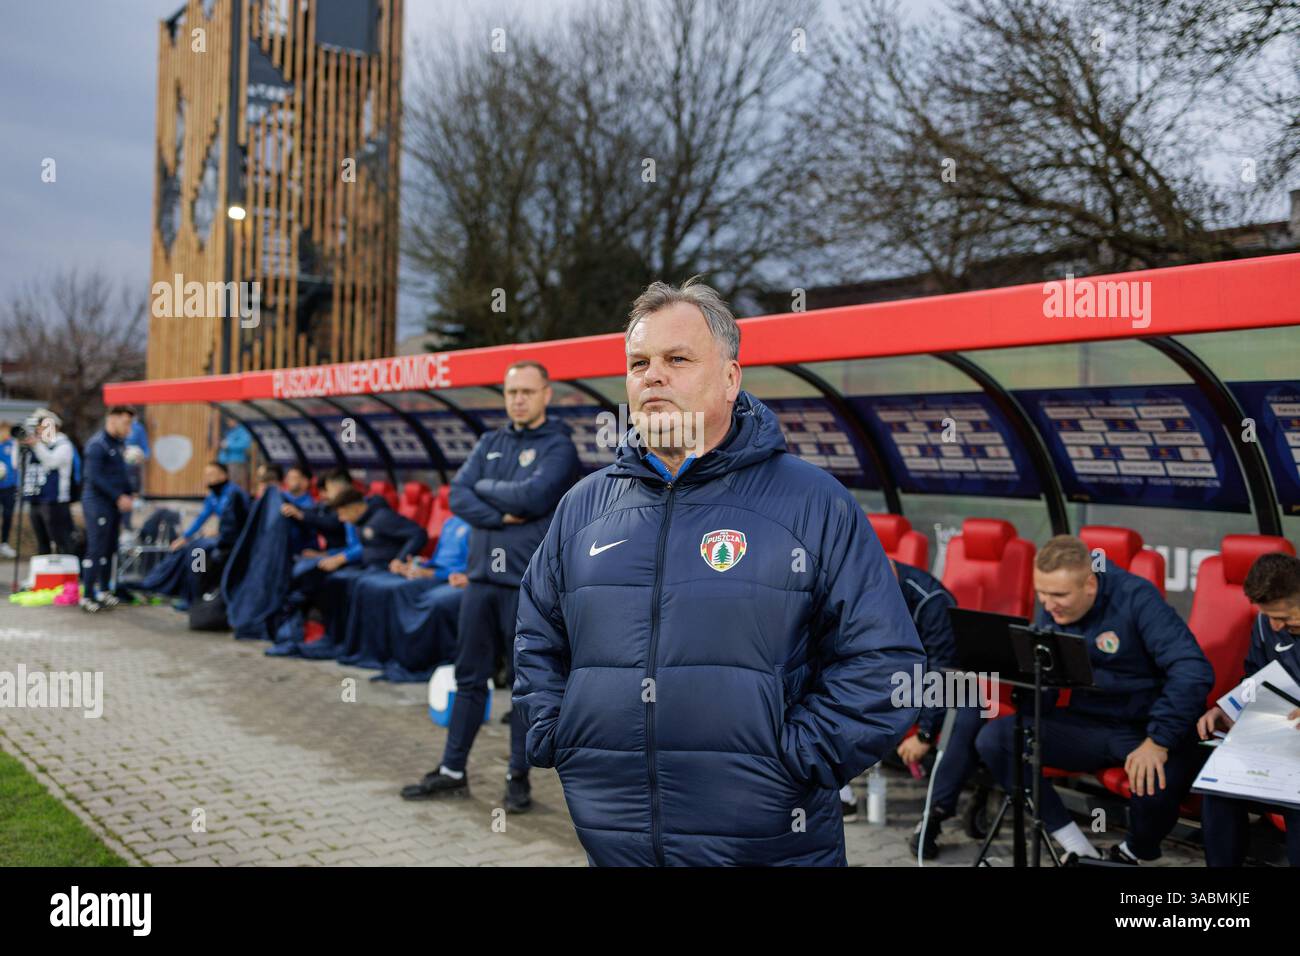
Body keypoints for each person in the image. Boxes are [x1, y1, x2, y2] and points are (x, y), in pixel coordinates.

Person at [511, 278, 925, 866]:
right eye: (639, 363)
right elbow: (536, 635)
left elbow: (884, 665)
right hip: (617, 844)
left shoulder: (813, 502)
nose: (653, 375)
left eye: (677, 359)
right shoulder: (586, 506)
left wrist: (792, 758)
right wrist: (560, 734)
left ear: (731, 378)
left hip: (771, 847)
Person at [400, 361, 579, 814]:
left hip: (525, 587)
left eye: (526, 391)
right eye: (510, 391)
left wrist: (488, 490)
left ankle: (517, 778)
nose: (517, 399)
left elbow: (534, 498)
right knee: (469, 679)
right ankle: (452, 771)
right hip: (480, 582)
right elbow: (460, 494)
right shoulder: (490, 441)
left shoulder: (559, 446)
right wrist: (501, 513)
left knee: (524, 684)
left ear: (546, 394)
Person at [975, 534, 1214, 864]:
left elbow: (1192, 670)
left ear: (1090, 584)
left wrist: (1158, 740)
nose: (1048, 604)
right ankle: (1077, 847)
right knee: (998, 738)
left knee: (1156, 783)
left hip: (1143, 727)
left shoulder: (1137, 598)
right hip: (1088, 723)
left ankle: (1131, 854)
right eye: (1041, 593)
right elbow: (1046, 676)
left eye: (1058, 594)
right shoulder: (1053, 605)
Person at [1198, 552, 1300, 866]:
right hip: (1280, 739)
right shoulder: (1264, 624)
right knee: (1219, 788)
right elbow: (1255, 676)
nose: (1277, 625)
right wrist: (1229, 706)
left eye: (1286, 616)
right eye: (1269, 615)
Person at [269, 486, 427, 659]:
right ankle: (334, 636)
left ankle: (353, 642)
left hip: (383, 570)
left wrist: (401, 558)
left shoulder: (382, 518)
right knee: (331, 581)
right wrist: (329, 556)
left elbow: (418, 534)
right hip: (369, 567)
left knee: (356, 584)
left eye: (343, 514)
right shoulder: (359, 523)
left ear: (355, 508)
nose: (342, 519)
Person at [337, 515, 471, 678]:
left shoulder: (478, 525)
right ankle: (389, 655)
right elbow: (437, 559)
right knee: (384, 589)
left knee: (429, 602)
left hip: (449, 577)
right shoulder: (450, 522)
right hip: (435, 571)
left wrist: (430, 572)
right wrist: (417, 564)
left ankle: (418, 660)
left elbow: (469, 567)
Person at [169, 461, 250, 608]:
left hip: (235, 541)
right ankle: (192, 595)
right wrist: (184, 537)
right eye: (206, 475)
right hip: (223, 538)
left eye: (212, 474)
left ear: (224, 475)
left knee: (198, 552)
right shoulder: (213, 495)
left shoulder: (235, 493)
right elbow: (201, 517)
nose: (208, 478)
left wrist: (219, 532)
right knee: (192, 549)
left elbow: (242, 521)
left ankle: (197, 597)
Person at [79, 407, 137, 612]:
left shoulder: (119, 444)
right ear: (112, 419)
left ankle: (104, 590)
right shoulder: (97, 445)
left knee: (110, 548)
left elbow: (121, 474)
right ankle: (87, 595)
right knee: (95, 548)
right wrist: (117, 496)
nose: (128, 428)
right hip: (97, 503)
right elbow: (94, 477)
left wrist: (130, 492)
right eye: (125, 423)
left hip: (114, 504)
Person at [18, 408, 77, 555]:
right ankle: (44, 574)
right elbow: (17, 465)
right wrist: (20, 446)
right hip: (35, 497)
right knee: (41, 539)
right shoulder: (34, 445)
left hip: (54, 501)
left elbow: (51, 461)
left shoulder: (63, 445)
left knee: (60, 538)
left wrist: (36, 445)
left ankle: (66, 572)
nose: (39, 429)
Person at [0, 422, 17, 559]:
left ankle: (4, 543)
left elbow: (15, 464)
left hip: (9, 486)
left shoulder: (13, 444)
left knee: (7, 515)